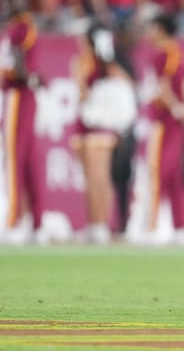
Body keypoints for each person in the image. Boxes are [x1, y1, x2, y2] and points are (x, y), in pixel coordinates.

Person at [71, 23, 135, 244]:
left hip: (103, 126)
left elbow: (126, 84)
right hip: (84, 124)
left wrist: (105, 58)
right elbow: (81, 93)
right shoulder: (82, 63)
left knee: (101, 178)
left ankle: (101, 225)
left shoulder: (105, 65)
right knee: (91, 179)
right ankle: (93, 224)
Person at [0, 0, 44, 244]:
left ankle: (13, 220)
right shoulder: (23, 26)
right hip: (25, 96)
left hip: (17, 97)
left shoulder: (19, 27)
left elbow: (17, 65)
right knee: (27, 162)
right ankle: (36, 223)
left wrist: (28, 78)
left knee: (14, 159)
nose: (5, 2)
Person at [145, 14, 184, 244]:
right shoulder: (176, 52)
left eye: (152, 28)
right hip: (174, 121)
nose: (149, 33)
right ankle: (180, 226)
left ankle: (154, 225)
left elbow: (163, 86)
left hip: (166, 122)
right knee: (173, 174)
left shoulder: (165, 53)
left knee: (160, 170)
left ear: (161, 29)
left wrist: (176, 108)